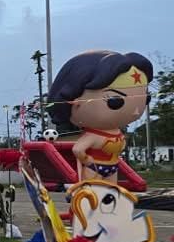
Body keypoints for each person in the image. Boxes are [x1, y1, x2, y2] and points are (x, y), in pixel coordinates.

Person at [48, 50, 153, 184]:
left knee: (111, 192)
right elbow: (78, 149)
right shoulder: (93, 136)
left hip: (112, 166)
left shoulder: (114, 132)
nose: (136, 111)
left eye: (145, 99)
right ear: (74, 101)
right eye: (114, 101)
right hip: (94, 167)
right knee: (93, 193)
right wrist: (87, 160)